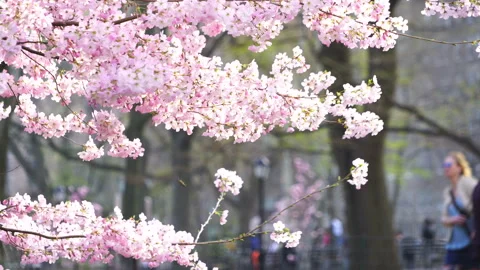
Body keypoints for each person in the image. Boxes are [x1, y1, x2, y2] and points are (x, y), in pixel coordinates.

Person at [441, 151, 478, 270]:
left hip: (471, 240)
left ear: (459, 167)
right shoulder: (447, 191)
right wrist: (452, 220)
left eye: (448, 165)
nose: (445, 168)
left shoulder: (469, 183)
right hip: (454, 242)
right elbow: (443, 219)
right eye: (444, 166)